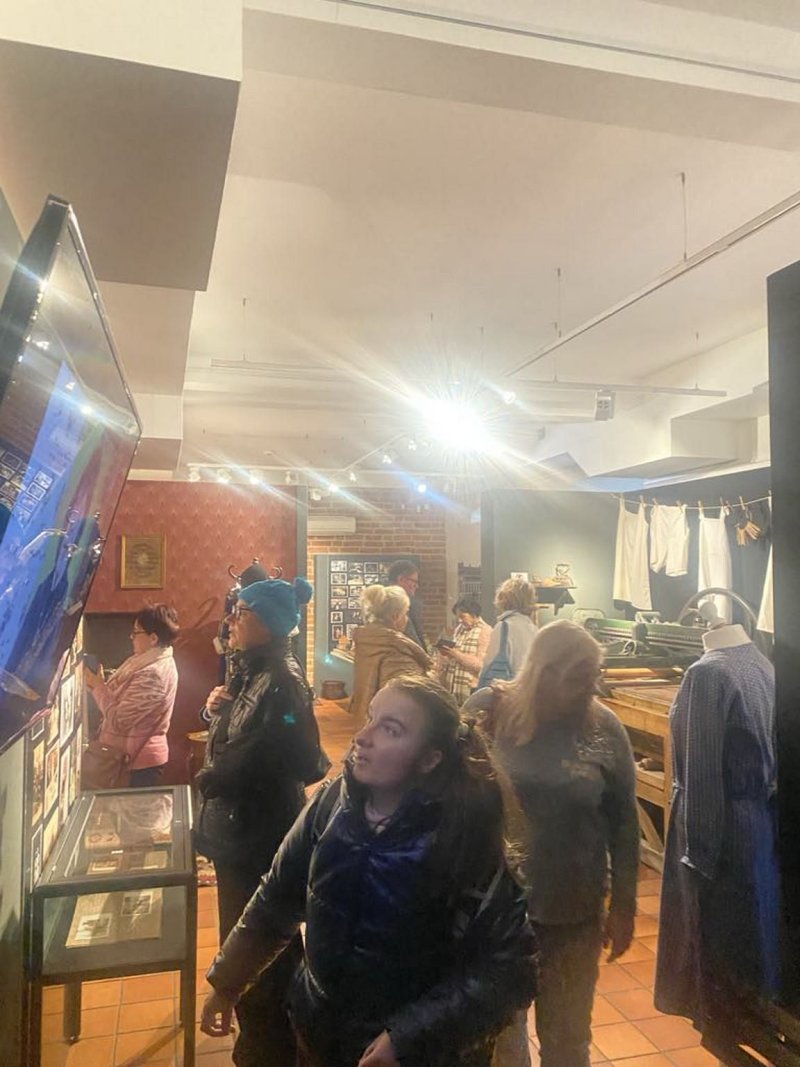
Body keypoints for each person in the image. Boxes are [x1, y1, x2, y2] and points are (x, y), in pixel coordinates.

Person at [200, 675, 539, 1067]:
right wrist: (228, 982)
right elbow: (277, 898)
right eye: (370, 718)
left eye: (390, 730)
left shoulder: (464, 835)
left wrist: (409, 1038)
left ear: (430, 758)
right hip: (320, 1036)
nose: (363, 737)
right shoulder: (331, 805)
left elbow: (508, 972)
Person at [465, 620, 639, 1067]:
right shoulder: (490, 712)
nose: (591, 688)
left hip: (574, 913)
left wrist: (624, 906)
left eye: (595, 675)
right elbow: (451, 801)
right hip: (496, 915)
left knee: (567, 1042)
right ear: (543, 672)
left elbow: (624, 823)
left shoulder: (604, 728)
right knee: (501, 1040)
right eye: (580, 676)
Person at [194, 576, 327, 1067]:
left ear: (269, 623)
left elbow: (306, 759)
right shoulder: (251, 670)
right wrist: (215, 712)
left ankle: (267, 1050)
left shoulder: (282, 681)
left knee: (260, 946)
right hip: (239, 829)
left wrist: (223, 773)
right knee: (255, 942)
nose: (231, 619)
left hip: (257, 832)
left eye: (242, 611)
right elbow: (243, 732)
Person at [84, 603, 179, 787]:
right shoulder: (143, 660)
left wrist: (98, 687)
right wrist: (100, 683)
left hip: (136, 763)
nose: (131, 637)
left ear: (153, 638)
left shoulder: (153, 673)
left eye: (136, 632)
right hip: (129, 756)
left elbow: (120, 720)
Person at [349, 583, 433, 728]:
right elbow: (411, 695)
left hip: (371, 720)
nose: (407, 618)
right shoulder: (396, 649)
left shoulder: (367, 640)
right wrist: (436, 674)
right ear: (396, 616)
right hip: (395, 726)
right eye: (405, 613)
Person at [479, 577, 538, 684]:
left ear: (503, 598)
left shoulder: (503, 627)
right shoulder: (534, 629)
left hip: (507, 688)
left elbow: (489, 665)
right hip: (528, 688)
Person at [438, 596, 492, 705]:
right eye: (458, 617)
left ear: (473, 614)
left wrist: (456, 654)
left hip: (471, 688)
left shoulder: (485, 631)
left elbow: (481, 665)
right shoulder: (460, 629)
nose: (460, 620)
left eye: (462, 617)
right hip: (454, 687)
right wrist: (446, 654)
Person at [387, 558, 426, 648]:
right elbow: (412, 639)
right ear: (401, 579)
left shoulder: (380, 602)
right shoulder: (395, 604)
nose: (417, 586)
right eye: (414, 581)